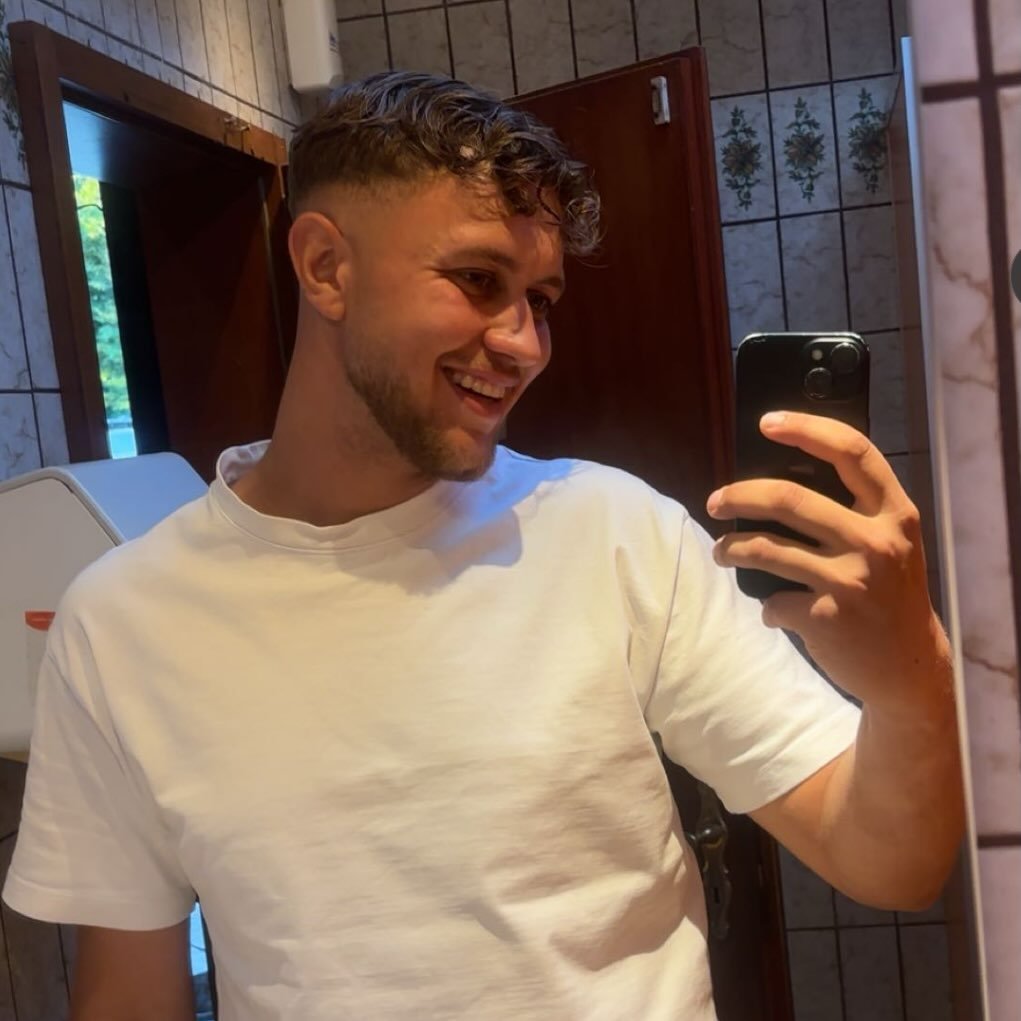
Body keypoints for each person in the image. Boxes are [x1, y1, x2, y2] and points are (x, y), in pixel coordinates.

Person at [2, 71, 963, 1020]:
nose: (525, 343)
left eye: (539, 298)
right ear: (326, 266)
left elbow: (892, 862)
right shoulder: (123, 622)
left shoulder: (616, 534)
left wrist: (909, 667)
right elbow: (129, 997)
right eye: (477, 281)